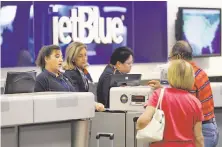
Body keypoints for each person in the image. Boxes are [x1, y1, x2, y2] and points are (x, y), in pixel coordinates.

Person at [148, 40, 219, 147]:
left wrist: (161, 93)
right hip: (207, 126)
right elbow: (183, 96)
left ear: (178, 56)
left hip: (203, 131)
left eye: (171, 58)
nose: (170, 61)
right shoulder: (198, 72)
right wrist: (162, 88)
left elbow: (184, 102)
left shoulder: (191, 77)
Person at [137, 59, 204, 147]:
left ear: (170, 76)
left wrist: (141, 127)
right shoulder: (195, 102)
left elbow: (142, 121)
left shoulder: (159, 94)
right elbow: (198, 137)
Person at [34, 44, 104, 112]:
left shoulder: (64, 77)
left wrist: (93, 104)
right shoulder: (42, 78)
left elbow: (76, 96)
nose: (61, 60)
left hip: (69, 117)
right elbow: (40, 107)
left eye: (61, 57)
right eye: (57, 56)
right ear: (46, 58)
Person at [63, 41, 105, 111]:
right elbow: (77, 97)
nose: (84, 58)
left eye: (85, 55)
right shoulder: (70, 74)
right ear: (72, 58)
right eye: (80, 56)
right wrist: (94, 104)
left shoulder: (83, 70)